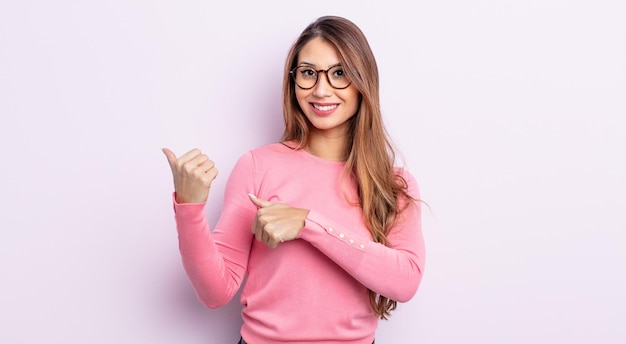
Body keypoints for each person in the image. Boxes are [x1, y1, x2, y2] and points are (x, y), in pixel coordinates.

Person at [162, 15, 425, 344]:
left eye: (339, 73)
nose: (321, 89)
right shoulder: (258, 166)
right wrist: (190, 207)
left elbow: (405, 282)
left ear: (363, 82)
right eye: (308, 73)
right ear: (293, 81)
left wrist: (307, 224)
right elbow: (216, 292)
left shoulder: (393, 184)